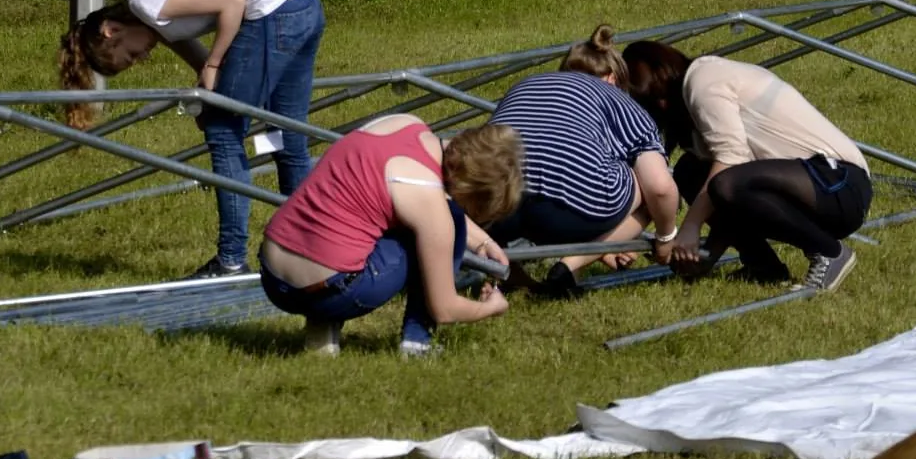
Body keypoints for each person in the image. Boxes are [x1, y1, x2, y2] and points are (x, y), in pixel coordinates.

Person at [59, 0, 325, 279]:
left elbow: (233, 2)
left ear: (111, 30)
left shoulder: (146, 0)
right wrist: (208, 86)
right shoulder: (155, 17)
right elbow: (200, 66)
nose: (141, 59)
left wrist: (215, 67)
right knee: (288, 133)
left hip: (274, 8)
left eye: (129, 55)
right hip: (302, 1)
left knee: (224, 132)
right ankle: (310, 252)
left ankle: (230, 261)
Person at [258, 115, 520, 356]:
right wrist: (491, 308)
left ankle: (322, 325)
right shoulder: (433, 212)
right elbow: (445, 309)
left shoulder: (402, 123)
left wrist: (484, 243)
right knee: (441, 228)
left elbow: (421, 191)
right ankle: (416, 342)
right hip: (327, 291)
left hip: (272, 275)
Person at [621, 41, 872, 292]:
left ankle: (829, 253)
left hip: (840, 183)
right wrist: (705, 254)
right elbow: (725, 196)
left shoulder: (704, 81)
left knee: (726, 182)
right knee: (690, 171)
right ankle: (763, 267)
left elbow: (732, 160)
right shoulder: (690, 108)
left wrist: (690, 227)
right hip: (808, 184)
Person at [483, 62, 681, 299]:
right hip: (573, 213)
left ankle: (511, 275)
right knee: (649, 188)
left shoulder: (526, 85)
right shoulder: (622, 102)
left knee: (504, 165)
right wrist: (665, 239)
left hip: (493, 205)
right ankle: (570, 265)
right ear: (611, 78)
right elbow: (660, 188)